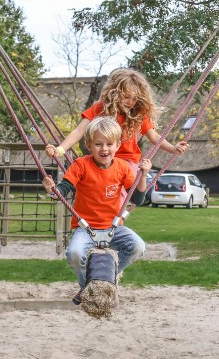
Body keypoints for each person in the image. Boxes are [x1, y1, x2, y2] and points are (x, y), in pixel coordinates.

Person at [42, 116, 152, 304]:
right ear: (88, 145)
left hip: (113, 227)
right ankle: (87, 286)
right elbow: (64, 188)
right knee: (74, 254)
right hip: (85, 228)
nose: (104, 149)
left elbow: (138, 199)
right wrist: (53, 190)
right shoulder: (81, 165)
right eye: (98, 144)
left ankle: (109, 277)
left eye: (109, 144)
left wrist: (142, 176)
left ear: (117, 145)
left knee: (138, 246)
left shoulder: (123, 168)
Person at [45, 68, 187, 170]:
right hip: (102, 158)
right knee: (82, 170)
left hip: (127, 161)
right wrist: (60, 150)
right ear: (114, 92)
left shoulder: (138, 114)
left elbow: (154, 136)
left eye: (135, 99)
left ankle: (118, 207)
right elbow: (79, 130)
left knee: (116, 188)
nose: (130, 102)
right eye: (126, 97)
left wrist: (172, 148)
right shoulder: (100, 108)